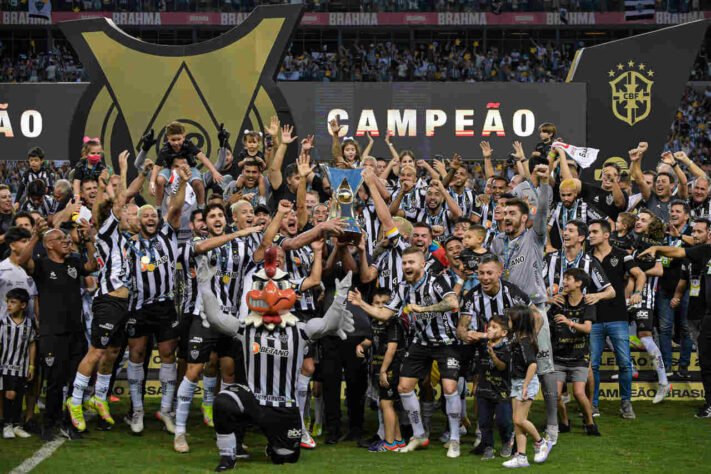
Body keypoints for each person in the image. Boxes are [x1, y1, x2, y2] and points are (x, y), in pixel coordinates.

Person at [199, 249, 354, 470]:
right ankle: (228, 455)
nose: (270, 292)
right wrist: (204, 286)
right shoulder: (244, 328)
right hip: (252, 400)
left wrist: (340, 298)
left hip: (284, 407)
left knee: (286, 457)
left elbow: (328, 323)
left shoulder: (300, 330)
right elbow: (215, 318)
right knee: (224, 401)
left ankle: (275, 444)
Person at [349, 247, 461, 458]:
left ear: (421, 264)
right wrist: (361, 303)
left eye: (411, 262)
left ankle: (455, 439)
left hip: (446, 342)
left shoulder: (436, 281)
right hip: (420, 343)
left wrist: (424, 309)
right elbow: (384, 314)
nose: (407, 266)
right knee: (404, 386)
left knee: (449, 387)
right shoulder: (402, 288)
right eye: (404, 263)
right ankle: (418, 435)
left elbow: (452, 302)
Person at [490, 162, 559, 445]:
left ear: (524, 217)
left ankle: (552, 426)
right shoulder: (496, 242)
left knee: (543, 369)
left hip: (533, 312)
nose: (506, 217)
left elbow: (543, 210)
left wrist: (544, 184)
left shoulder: (535, 236)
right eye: (504, 212)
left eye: (512, 213)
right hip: (508, 315)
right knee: (511, 372)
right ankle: (512, 430)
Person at [17, 216, 98, 441]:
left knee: (75, 381)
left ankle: (68, 422)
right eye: (60, 238)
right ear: (49, 244)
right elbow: (23, 260)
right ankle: (49, 423)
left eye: (66, 238)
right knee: (54, 381)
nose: (66, 241)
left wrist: (90, 239)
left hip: (76, 331)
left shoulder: (73, 262)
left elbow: (93, 266)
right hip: (52, 333)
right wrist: (35, 236)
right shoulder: (41, 264)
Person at [640, 233, 711, 418]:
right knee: (706, 361)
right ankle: (710, 403)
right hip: (707, 315)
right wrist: (657, 248)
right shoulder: (706, 251)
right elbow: (678, 251)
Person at [587, 219, 645, 419]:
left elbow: (640, 274)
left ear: (606, 235)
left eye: (594, 231)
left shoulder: (622, 255)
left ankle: (626, 403)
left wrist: (637, 292)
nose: (590, 235)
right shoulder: (586, 258)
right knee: (592, 365)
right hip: (592, 317)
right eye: (589, 232)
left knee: (624, 362)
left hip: (618, 316)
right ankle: (592, 405)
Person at [548, 268, 600, 436]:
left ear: (579, 284)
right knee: (554, 395)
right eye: (564, 278)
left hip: (579, 357)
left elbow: (587, 328)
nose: (564, 282)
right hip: (559, 357)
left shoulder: (588, 303)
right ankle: (564, 423)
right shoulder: (559, 302)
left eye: (568, 279)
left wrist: (568, 322)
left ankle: (590, 423)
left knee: (579, 393)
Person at [355, 288, 407, 453]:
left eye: (384, 304)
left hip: (391, 369)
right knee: (387, 405)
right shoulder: (375, 322)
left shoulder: (393, 322)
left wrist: (384, 371)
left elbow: (391, 349)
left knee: (386, 404)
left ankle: (389, 443)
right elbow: (370, 339)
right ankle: (398, 441)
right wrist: (361, 345)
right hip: (379, 368)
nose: (380, 307)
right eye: (376, 303)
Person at [503, 305, 552, 468]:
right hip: (517, 382)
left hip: (526, 383)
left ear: (518, 322)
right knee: (517, 422)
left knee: (519, 419)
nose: (507, 322)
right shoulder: (518, 338)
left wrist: (525, 386)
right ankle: (521, 457)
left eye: (510, 319)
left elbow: (532, 365)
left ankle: (542, 442)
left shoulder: (525, 342)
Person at [473, 314, 513, 460]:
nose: (490, 329)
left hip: (501, 390)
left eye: (494, 327)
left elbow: (502, 367)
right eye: (489, 326)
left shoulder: (507, 348)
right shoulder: (483, 345)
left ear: (504, 333)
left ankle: (506, 442)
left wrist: (493, 355)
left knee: (503, 420)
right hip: (484, 389)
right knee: (484, 421)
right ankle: (488, 447)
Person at [0, 288, 36, 439]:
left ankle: (16, 425)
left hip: (22, 366)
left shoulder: (29, 324)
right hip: (6, 365)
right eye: (8, 302)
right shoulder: (3, 322)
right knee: (9, 394)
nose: (9, 305)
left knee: (19, 396)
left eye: (13, 302)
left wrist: (31, 365)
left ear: (23, 305)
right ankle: (7, 425)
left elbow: (32, 344)